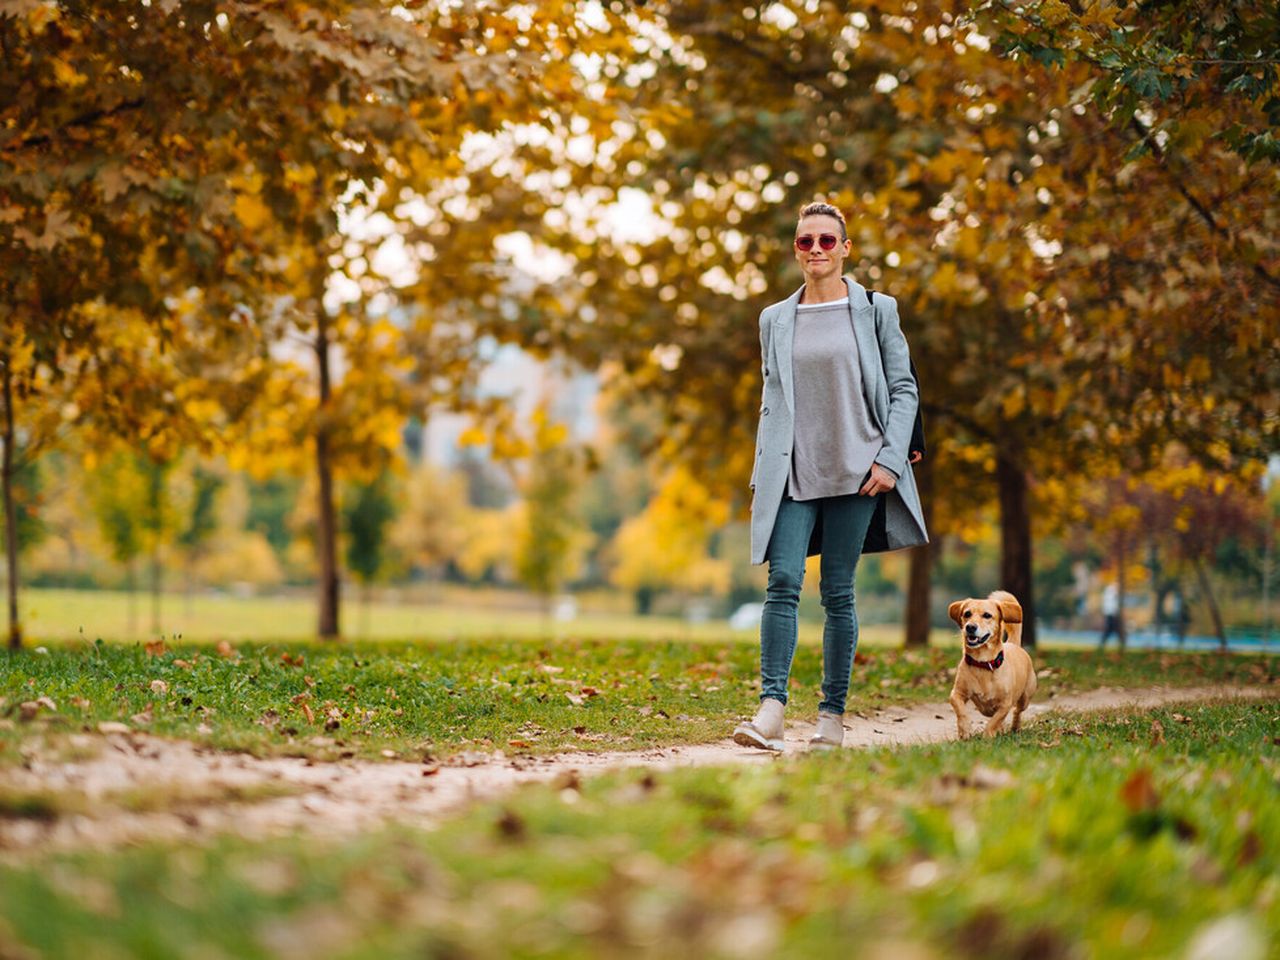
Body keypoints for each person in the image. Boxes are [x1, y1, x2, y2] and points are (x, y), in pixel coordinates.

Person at [734, 201, 928, 752]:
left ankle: (830, 719)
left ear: (845, 249)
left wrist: (890, 459)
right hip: (794, 473)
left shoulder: (875, 309)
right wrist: (763, 473)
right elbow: (773, 402)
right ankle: (770, 711)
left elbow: (903, 388)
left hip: (858, 473)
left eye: (826, 240)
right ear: (796, 250)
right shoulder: (774, 319)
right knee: (783, 583)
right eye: (805, 242)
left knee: (838, 593)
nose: (816, 249)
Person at [1099, 581, 1122, 650]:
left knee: (1111, 629)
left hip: (1110, 613)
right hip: (1111, 614)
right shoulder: (1112, 592)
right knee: (1112, 629)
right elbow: (1112, 604)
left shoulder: (1109, 592)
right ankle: (1120, 643)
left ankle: (1120, 643)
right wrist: (1115, 612)